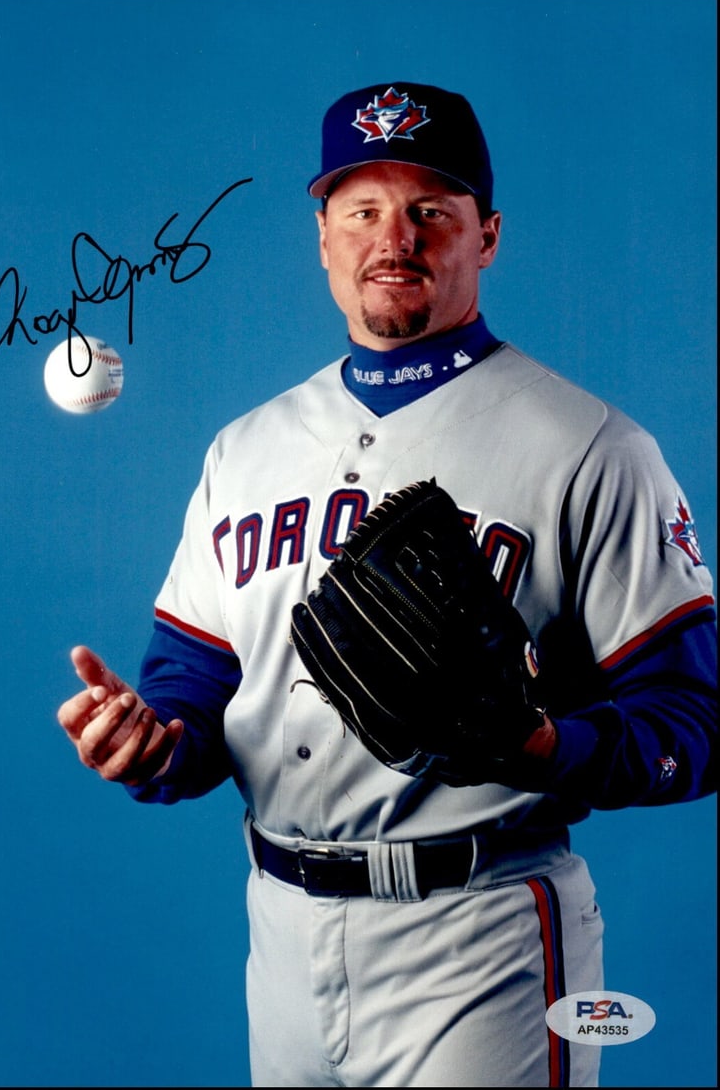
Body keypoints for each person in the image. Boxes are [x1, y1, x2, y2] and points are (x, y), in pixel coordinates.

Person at [57, 83, 717, 1087]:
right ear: (322, 236)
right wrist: (149, 741)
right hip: (280, 932)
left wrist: (547, 745)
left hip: (481, 932)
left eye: (430, 212)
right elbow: (193, 690)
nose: (393, 238)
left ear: (484, 236)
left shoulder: (593, 449)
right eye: (362, 210)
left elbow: (694, 718)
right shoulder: (245, 449)